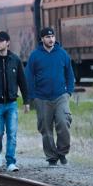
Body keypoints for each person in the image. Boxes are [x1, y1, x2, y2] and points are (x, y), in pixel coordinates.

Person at [0, 30, 30, 172]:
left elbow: (23, 82)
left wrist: (26, 101)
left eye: (1, 40)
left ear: (8, 43)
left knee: (12, 134)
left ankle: (10, 162)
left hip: (12, 104)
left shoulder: (15, 60)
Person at [25, 26, 75, 167]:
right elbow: (28, 77)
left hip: (60, 96)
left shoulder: (63, 54)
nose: (51, 39)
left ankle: (62, 153)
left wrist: (69, 92)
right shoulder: (35, 56)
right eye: (47, 37)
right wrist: (31, 97)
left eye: (52, 36)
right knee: (45, 128)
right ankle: (52, 157)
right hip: (41, 98)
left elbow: (70, 75)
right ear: (42, 39)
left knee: (63, 122)